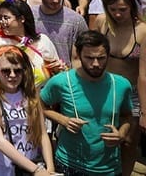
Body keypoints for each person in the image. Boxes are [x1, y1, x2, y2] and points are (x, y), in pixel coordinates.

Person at [41, 30, 134, 176]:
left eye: (101, 58)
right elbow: (40, 106)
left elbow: (128, 116)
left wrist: (121, 134)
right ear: (78, 55)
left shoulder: (121, 85)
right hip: (69, 164)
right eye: (89, 58)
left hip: (109, 168)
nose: (95, 64)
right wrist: (63, 120)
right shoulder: (61, 82)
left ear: (108, 56)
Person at [0, 45, 57, 176]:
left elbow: (42, 134)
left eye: (18, 71)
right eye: (6, 71)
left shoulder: (30, 94)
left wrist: (50, 169)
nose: (12, 75)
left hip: (26, 167)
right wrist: (36, 170)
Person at [92, 0, 146, 175]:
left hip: (131, 93)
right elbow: (88, 53)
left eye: (122, 9)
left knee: (129, 141)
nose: (117, 14)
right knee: (101, 136)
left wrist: (145, 112)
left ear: (131, 7)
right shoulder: (102, 22)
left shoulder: (142, 31)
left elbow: (143, 75)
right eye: (112, 9)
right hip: (103, 89)